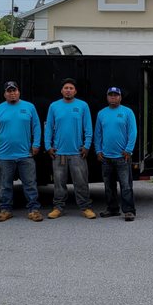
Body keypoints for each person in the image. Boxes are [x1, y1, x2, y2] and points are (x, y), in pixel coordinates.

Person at [0, 81, 43, 222]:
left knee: (30, 184)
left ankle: (33, 210)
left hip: (26, 154)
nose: (12, 93)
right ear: (4, 94)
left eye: (14, 90)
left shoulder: (29, 107)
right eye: (9, 91)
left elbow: (36, 127)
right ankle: (5, 210)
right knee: (5, 185)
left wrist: (36, 144)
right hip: (4, 155)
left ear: (19, 92)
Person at [44, 77, 94, 219]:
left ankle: (85, 207)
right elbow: (49, 129)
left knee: (81, 182)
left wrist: (87, 146)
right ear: (61, 90)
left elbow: (88, 128)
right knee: (59, 183)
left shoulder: (83, 106)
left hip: (78, 153)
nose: (68, 90)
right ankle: (58, 207)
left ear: (75, 91)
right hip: (59, 153)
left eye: (71, 88)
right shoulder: (54, 106)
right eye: (66, 88)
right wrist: (48, 146)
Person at [94, 86, 138, 221]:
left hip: (122, 157)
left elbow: (132, 132)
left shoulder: (127, 112)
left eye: (116, 95)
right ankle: (112, 209)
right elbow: (98, 134)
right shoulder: (101, 113)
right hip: (106, 157)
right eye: (110, 95)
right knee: (109, 186)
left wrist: (129, 150)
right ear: (107, 97)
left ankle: (129, 211)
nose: (113, 97)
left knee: (125, 186)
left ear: (120, 97)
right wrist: (98, 150)